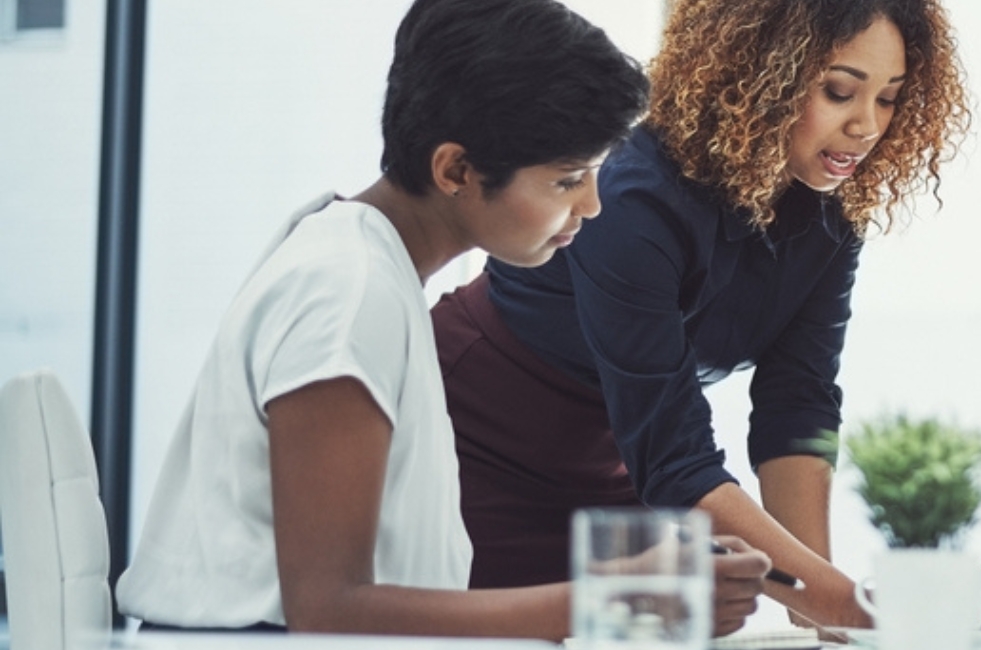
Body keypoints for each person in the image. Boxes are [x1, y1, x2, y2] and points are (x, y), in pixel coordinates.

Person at [114, 0, 770, 638]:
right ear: (455, 169)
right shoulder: (346, 290)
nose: (593, 207)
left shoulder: (368, 265)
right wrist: (617, 602)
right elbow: (327, 610)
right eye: (567, 180)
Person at [431, 0, 971, 627]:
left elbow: (796, 406)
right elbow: (677, 462)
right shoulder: (633, 196)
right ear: (762, 72)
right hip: (480, 446)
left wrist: (828, 624)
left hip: (625, 472)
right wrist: (857, 609)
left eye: (888, 99)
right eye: (839, 91)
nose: (866, 126)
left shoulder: (829, 213)